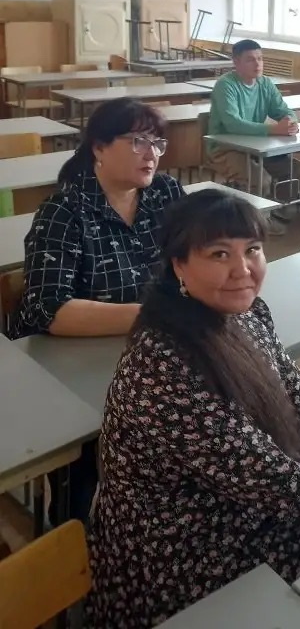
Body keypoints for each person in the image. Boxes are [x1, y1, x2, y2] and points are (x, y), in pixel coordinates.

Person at [86, 190, 300, 628]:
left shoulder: (248, 316)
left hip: (238, 502)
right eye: (219, 254)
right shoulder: (164, 363)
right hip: (179, 553)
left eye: (252, 250)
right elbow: (267, 477)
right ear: (178, 265)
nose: (242, 269)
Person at [9, 98, 183, 525]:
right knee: (88, 457)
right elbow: (50, 310)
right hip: (63, 366)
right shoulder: (63, 212)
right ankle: (74, 528)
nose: (152, 153)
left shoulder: (165, 193)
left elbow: (192, 258)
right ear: (99, 147)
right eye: (138, 141)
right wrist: (154, 315)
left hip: (140, 351)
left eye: (157, 143)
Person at [207, 39, 300, 218]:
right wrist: (274, 130)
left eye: (260, 58)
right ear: (236, 62)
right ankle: (253, 222)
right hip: (226, 149)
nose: (257, 64)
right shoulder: (225, 85)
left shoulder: (265, 83)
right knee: (261, 181)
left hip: (257, 147)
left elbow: (284, 110)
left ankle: (274, 211)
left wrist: (290, 122)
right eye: (250, 59)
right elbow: (233, 124)